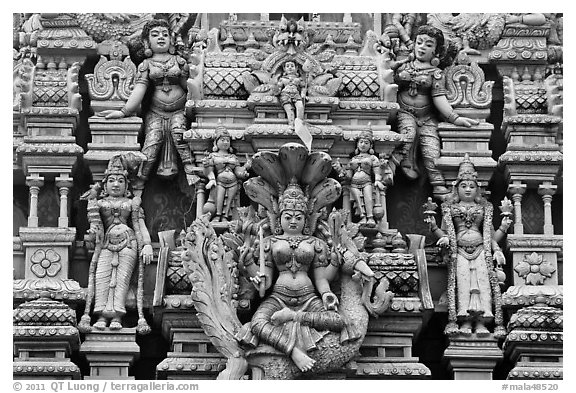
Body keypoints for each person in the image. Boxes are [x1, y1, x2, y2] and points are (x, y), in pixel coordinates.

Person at [236, 181, 373, 371]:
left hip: (308, 297)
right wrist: (250, 263)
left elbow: (321, 279)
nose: (293, 221)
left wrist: (327, 291)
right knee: (257, 323)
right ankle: (292, 351)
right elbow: (264, 283)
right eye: (288, 216)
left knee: (338, 321)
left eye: (298, 217)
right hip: (278, 296)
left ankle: (293, 316)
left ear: (306, 220)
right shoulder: (269, 242)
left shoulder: (316, 243)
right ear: (279, 218)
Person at [388, 25, 479, 199]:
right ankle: (389, 167)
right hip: (405, 112)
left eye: (428, 44)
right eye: (419, 42)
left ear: (436, 51)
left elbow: (439, 99)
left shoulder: (436, 73)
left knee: (432, 152)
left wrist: (455, 118)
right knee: (408, 136)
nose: (422, 47)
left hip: (428, 118)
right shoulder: (403, 67)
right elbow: (390, 87)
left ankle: (438, 187)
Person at [425, 155, 511, 337]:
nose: (468, 189)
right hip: (460, 252)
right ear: (456, 188)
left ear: (477, 189)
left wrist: (500, 237)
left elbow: (490, 235)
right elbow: (446, 233)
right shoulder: (449, 208)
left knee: (482, 286)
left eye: (472, 186)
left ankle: (481, 322)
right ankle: (464, 321)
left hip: (481, 250)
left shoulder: (485, 208)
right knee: (463, 285)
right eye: (463, 186)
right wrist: (434, 228)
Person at [101, 19, 194, 185]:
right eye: (155, 34)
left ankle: (192, 174)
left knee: (179, 135)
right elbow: (140, 89)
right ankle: (138, 184)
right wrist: (124, 111)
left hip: (178, 111)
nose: (161, 37)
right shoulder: (146, 64)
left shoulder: (179, 62)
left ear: (172, 40)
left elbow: (188, 87)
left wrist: (188, 76)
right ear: (146, 41)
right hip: (156, 112)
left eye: (165, 34)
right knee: (151, 144)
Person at [82, 155, 153, 331]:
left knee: (122, 280)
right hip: (106, 244)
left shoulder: (132, 203)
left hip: (128, 244)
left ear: (126, 186)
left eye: (120, 181)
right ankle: (100, 316)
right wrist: (92, 235)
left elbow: (140, 225)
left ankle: (117, 317)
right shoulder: (98, 203)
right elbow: (95, 227)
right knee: (102, 278)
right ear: (105, 185)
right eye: (112, 180)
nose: (116, 184)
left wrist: (147, 244)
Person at [203, 124, 250, 222]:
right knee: (219, 199)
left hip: (233, 183)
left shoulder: (233, 157)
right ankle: (218, 215)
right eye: (222, 140)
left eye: (227, 140)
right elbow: (209, 171)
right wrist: (211, 178)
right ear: (216, 143)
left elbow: (237, 171)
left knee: (230, 202)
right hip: (220, 181)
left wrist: (245, 168)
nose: (225, 142)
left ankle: (225, 217)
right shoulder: (213, 156)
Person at [345, 127, 385, 227]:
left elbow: (377, 170)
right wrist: (340, 171)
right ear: (357, 144)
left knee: (368, 199)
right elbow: (348, 175)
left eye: (366, 143)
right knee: (358, 201)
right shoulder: (353, 158)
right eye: (361, 142)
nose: (363, 145)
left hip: (367, 181)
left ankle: (370, 218)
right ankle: (362, 217)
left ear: (370, 145)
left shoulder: (372, 158)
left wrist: (377, 180)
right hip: (354, 183)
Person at [277, 61, 306, 128]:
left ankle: (299, 124)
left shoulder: (299, 79)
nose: (290, 68)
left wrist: (303, 94)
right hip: (285, 95)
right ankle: (291, 124)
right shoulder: (282, 79)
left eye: (292, 66)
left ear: (296, 68)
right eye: (287, 66)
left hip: (296, 94)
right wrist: (277, 91)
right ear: (284, 69)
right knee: (289, 109)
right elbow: (278, 88)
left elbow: (303, 87)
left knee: (300, 106)